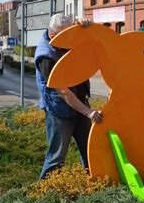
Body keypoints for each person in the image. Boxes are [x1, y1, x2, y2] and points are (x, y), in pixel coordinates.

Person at [35, 14, 103, 179]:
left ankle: (93, 185)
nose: (73, 39)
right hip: (59, 111)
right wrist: (87, 112)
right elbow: (63, 91)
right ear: (54, 36)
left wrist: (87, 27)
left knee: (90, 151)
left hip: (80, 106)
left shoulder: (64, 41)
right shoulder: (46, 56)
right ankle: (45, 193)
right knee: (57, 156)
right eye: (69, 35)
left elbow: (92, 44)